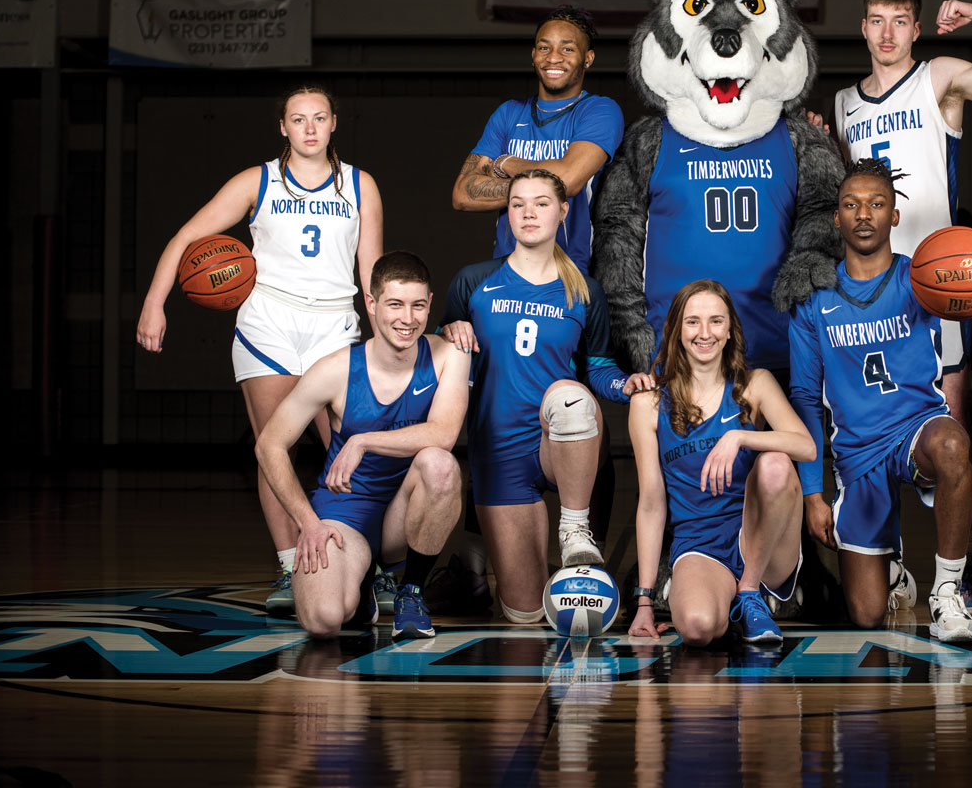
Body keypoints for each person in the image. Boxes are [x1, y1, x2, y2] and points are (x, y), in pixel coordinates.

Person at [831, 0, 972, 617]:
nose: (887, 33)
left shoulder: (939, 77)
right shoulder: (842, 104)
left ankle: (959, 566)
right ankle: (891, 565)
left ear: (915, 30)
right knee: (874, 429)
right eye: (876, 20)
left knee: (948, 439)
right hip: (872, 290)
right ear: (863, 29)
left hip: (941, 287)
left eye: (899, 21)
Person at [135, 86, 383, 616]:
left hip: (334, 325)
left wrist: (383, 335)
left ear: (335, 122)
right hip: (269, 321)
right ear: (283, 127)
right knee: (276, 447)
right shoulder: (258, 180)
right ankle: (291, 563)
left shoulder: (361, 186)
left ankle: (369, 564)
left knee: (353, 450)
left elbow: (372, 273)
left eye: (319, 118)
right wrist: (155, 303)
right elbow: (186, 236)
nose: (310, 128)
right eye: (299, 119)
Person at [789, 159, 972, 642]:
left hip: (917, 430)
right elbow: (805, 398)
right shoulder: (814, 300)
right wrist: (814, 492)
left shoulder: (922, 280)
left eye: (877, 204)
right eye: (851, 205)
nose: (863, 215)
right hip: (858, 452)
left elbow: (968, 286)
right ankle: (893, 570)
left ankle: (947, 594)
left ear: (894, 216)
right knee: (867, 615)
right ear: (836, 218)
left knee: (954, 445)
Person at [441, 169, 640, 625]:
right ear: (506, 213)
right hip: (499, 451)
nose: (528, 212)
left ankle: (574, 527)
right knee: (524, 612)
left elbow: (600, 368)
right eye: (517, 204)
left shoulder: (584, 290)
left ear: (563, 210)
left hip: (562, 437)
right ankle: (547, 585)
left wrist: (624, 386)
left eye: (542, 203)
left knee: (568, 395)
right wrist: (447, 332)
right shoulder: (473, 282)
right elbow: (445, 362)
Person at [254, 251, 469, 640]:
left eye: (418, 305)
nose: (408, 318)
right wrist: (308, 523)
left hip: (404, 515)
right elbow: (269, 445)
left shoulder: (448, 354)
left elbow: (444, 433)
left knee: (441, 464)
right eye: (395, 305)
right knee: (324, 619)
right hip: (345, 514)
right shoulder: (335, 369)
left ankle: (411, 592)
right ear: (371, 304)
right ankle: (363, 583)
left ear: (430, 304)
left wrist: (363, 440)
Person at [627, 280, 814, 646]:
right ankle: (712, 594)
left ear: (730, 331)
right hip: (699, 542)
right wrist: (644, 601)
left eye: (716, 321)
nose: (705, 333)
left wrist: (740, 436)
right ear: (677, 330)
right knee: (698, 627)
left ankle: (748, 593)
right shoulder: (648, 403)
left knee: (775, 463)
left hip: (762, 540)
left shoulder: (754, 384)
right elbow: (651, 504)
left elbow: (805, 446)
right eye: (693, 322)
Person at [451, 6, 624, 273]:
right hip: (506, 273)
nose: (554, 58)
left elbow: (567, 180)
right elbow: (463, 194)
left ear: (588, 58)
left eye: (567, 49)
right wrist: (536, 189)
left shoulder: (599, 111)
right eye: (544, 48)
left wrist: (507, 165)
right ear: (533, 55)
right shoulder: (509, 113)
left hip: (571, 274)